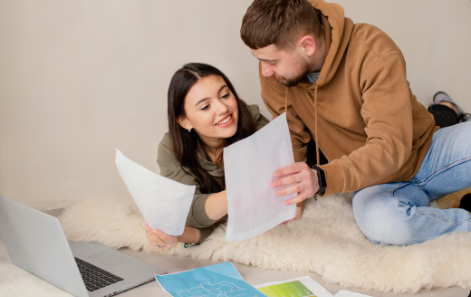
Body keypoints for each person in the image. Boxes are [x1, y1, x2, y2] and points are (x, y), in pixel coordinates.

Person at [240, 0, 471, 245]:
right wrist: (292, 200)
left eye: (271, 61)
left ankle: (446, 110)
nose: (264, 71)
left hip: (428, 152)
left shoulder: (371, 50)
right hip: (372, 182)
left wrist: (322, 178)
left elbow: (390, 147)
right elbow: (292, 138)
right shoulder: (277, 75)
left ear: (306, 45)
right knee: (385, 225)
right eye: (260, 60)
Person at [145, 63, 279, 252]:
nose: (223, 108)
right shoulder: (171, 148)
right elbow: (188, 210)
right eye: (206, 106)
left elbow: (273, 193)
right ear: (185, 121)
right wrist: (177, 235)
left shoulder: (253, 124)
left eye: (225, 95)